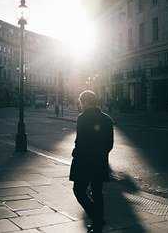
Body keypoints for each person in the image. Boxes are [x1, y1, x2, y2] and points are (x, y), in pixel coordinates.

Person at [70, 90, 114, 233]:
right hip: (100, 161)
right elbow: (109, 144)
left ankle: (96, 217)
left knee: (79, 191)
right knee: (97, 192)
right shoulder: (107, 119)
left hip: (83, 161)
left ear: (86, 102)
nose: (81, 105)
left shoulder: (82, 118)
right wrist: (101, 154)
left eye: (81, 102)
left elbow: (80, 141)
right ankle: (98, 222)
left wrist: (76, 153)